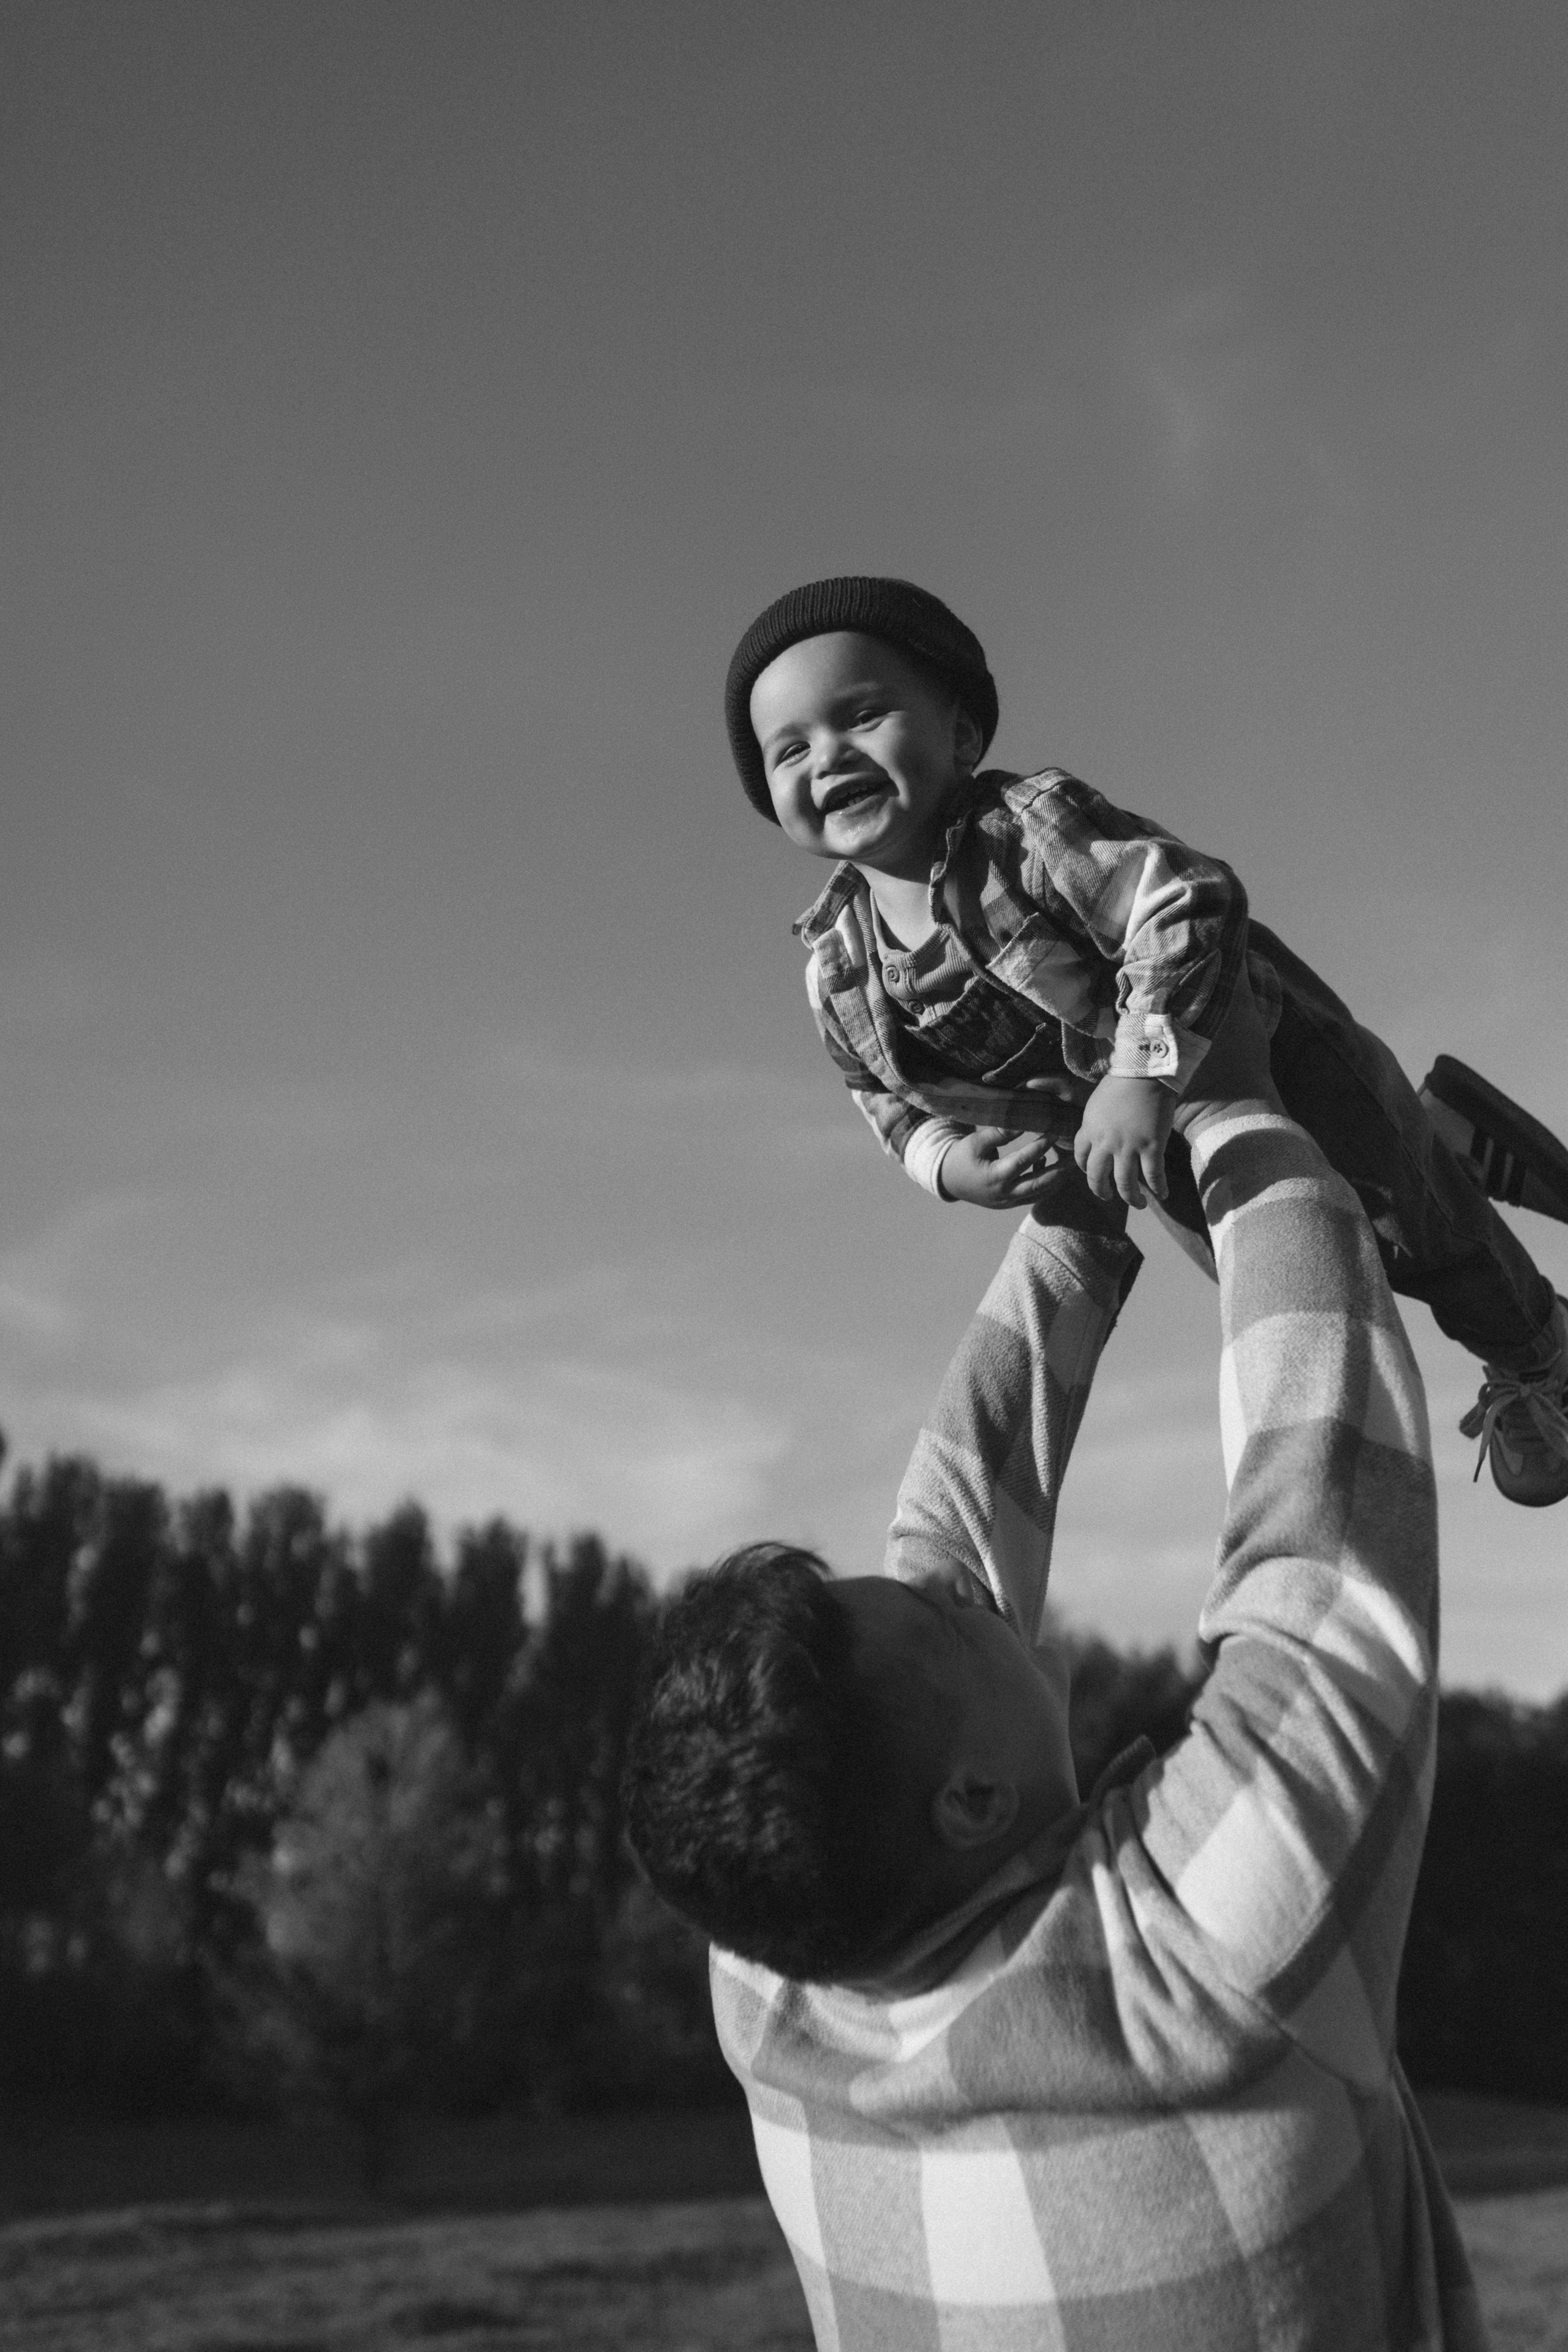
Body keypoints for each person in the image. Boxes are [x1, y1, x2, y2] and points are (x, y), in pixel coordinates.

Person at [623, 978, 1487, 2350]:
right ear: (969, 1800)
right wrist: (1235, 1110)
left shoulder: (777, 1992)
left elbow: (949, 1545)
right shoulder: (1203, 1966)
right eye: (950, 1626)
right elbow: (1324, 1526)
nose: (971, 1600)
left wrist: (1076, 1220)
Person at [723, 573, 1568, 1507]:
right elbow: (879, 1093)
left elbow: (1186, 901)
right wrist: (948, 1163)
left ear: (959, 734)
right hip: (1150, 1144)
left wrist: (1141, 1067)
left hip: (1257, 1048)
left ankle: (1537, 1350)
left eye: (862, 715)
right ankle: (1441, 1133)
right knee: (1295, 1262)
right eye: (789, 749)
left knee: (1417, 1225)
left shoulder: (1024, 829)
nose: (828, 755)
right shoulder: (839, 964)